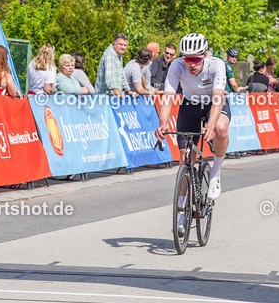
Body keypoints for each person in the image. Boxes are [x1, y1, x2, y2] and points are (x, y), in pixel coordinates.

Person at [154, 33, 230, 239]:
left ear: (204, 56)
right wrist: (162, 124)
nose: (191, 64)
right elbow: (168, 98)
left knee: (221, 130)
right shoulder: (177, 66)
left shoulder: (216, 65)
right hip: (190, 105)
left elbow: (218, 99)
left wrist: (211, 126)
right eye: (187, 59)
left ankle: (215, 173)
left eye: (196, 59)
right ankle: (181, 215)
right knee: (184, 159)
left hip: (213, 104)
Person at [95, 33, 136, 97]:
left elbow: (122, 75)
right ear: (114, 44)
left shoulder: (118, 55)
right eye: (120, 44)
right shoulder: (110, 55)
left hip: (113, 96)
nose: (123, 47)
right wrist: (116, 90)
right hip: (104, 98)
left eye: (125, 45)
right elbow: (109, 76)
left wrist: (128, 90)